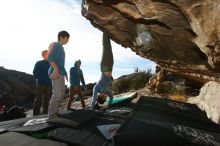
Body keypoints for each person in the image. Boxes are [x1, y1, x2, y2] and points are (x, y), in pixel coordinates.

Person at [47, 30, 70, 118]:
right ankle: (51, 115)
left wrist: (65, 73)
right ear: (61, 37)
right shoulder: (56, 44)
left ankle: (56, 112)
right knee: (57, 94)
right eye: (67, 38)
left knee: (62, 94)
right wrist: (55, 69)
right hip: (54, 72)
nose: (68, 40)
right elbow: (50, 57)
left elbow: (61, 63)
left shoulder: (62, 48)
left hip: (60, 73)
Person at [91, 33, 114, 109]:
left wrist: (92, 108)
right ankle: (107, 32)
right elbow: (111, 98)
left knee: (105, 47)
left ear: (99, 96)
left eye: (103, 97)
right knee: (109, 47)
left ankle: (104, 31)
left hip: (104, 66)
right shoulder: (107, 92)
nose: (105, 96)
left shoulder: (96, 88)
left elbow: (93, 100)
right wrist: (108, 105)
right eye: (105, 98)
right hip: (110, 66)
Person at [33, 50, 51, 116]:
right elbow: (35, 73)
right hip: (40, 84)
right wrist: (40, 79)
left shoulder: (51, 64)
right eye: (47, 54)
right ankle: (35, 115)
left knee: (46, 100)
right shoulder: (39, 63)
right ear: (43, 55)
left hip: (48, 84)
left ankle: (45, 114)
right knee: (38, 99)